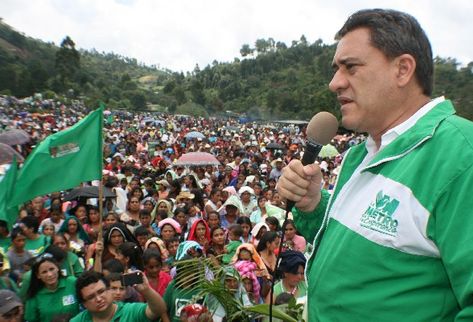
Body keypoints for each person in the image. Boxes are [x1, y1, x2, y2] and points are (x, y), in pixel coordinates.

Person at [276, 8, 473, 321]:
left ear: (403, 69)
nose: (334, 83)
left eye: (350, 67)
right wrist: (314, 205)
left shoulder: (461, 156)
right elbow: (354, 253)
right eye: (335, 69)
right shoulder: (360, 155)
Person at [71, 270, 168, 322]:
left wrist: (146, 291)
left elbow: (159, 310)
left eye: (101, 292)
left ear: (109, 290)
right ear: (84, 304)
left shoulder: (130, 311)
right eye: (91, 297)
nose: (99, 299)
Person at [24, 255, 79, 322]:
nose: (49, 274)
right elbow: (30, 319)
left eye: (52, 269)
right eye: (44, 272)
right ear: (38, 275)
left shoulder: (72, 282)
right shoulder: (34, 295)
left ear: (58, 268)